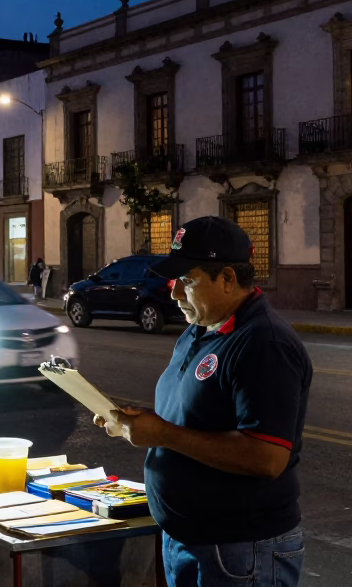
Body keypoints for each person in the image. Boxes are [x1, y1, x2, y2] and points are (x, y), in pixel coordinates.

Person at [94, 216, 311, 586]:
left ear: (227, 278)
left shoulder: (264, 343)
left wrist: (162, 434)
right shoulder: (201, 328)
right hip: (189, 540)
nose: (174, 293)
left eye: (187, 281)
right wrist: (137, 426)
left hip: (240, 550)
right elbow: (192, 415)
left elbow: (266, 457)